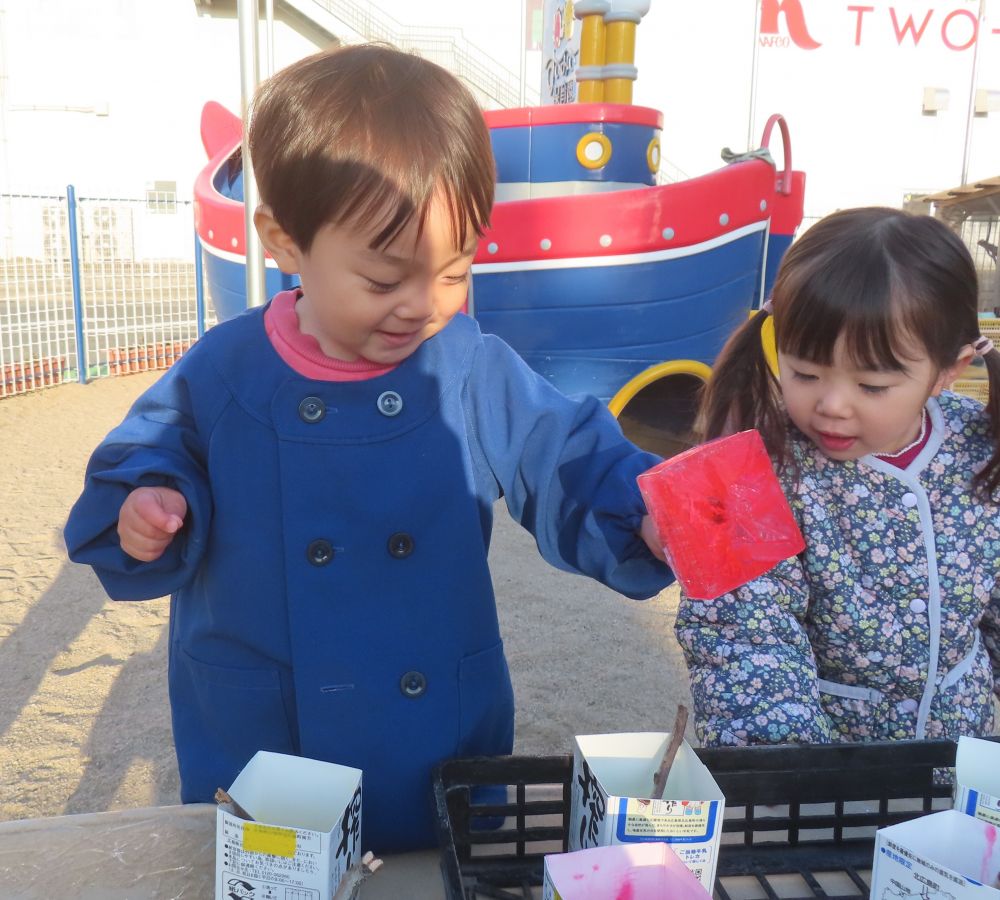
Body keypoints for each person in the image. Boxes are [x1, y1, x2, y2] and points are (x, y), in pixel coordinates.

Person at [63, 44, 672, 852]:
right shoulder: (226, 370)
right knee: (281, 867)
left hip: (431, 724)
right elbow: (146, 451)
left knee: (432, 863)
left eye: (455, 270)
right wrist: (147, 500)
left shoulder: (467, 365)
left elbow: (562, 448)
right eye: (385, 280)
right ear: (284, 242)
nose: (423, 305)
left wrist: (645, 507)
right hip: (267, 729)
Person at [675, 207, 1000, 748]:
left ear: (949, 369)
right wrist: (804, 775)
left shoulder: (982, 451)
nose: (831, 405)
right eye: (804, 373)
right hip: (817, 792)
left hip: (958, 774)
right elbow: (743, 637)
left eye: (872, 386)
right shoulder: (750, 472)